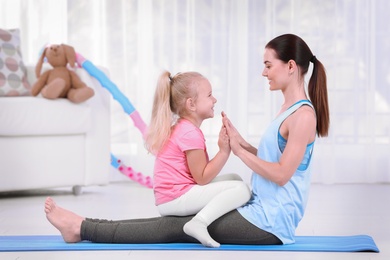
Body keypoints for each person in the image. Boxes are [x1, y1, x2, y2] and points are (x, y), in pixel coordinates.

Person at [44, 33, 329, 246]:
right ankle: (83, 226)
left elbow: (281, 175)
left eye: (268, 65)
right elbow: (275, 159)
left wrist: (238, 153)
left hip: (271, 223)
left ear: (291, 66)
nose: (263, 72)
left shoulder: (302, 116)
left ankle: (82, 228)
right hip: (260, 210)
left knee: (174, 227)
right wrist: (240, 143)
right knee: (175, 223)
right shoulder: (287, 111)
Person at [143, 70, 251, 247]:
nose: (214, 100)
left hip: (173, 196)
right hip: (174, 199)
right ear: (191, 104)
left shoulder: (185, 128)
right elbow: (201, 178)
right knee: (242, 189)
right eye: (209, 95)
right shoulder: (189, 133)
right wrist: (223, 151)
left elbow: (198, 176)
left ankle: (217, 219)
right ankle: (198, 222)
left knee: (234, 179)